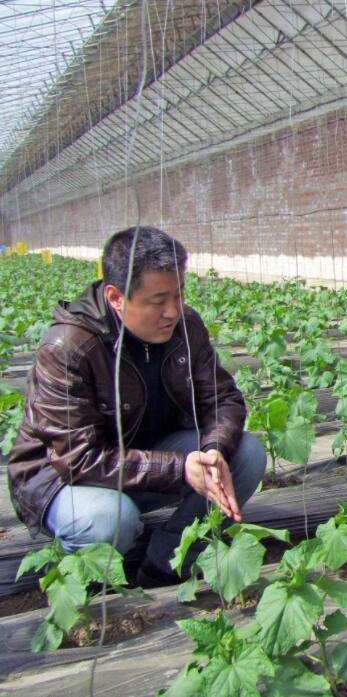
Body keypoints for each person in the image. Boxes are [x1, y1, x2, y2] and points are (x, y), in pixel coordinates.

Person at [6, 226, 266, 587]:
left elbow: (222, 399)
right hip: (64, 479)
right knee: (111, 521)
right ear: (115, 296)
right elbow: (77, 458)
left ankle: (166, 561)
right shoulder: (69, 347)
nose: (173, 311)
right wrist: (180, 468)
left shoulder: (186, 326)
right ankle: (93, 584)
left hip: (143, 462)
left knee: (247, 454)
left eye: (179, 294)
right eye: (158, 300)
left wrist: (212, 450)